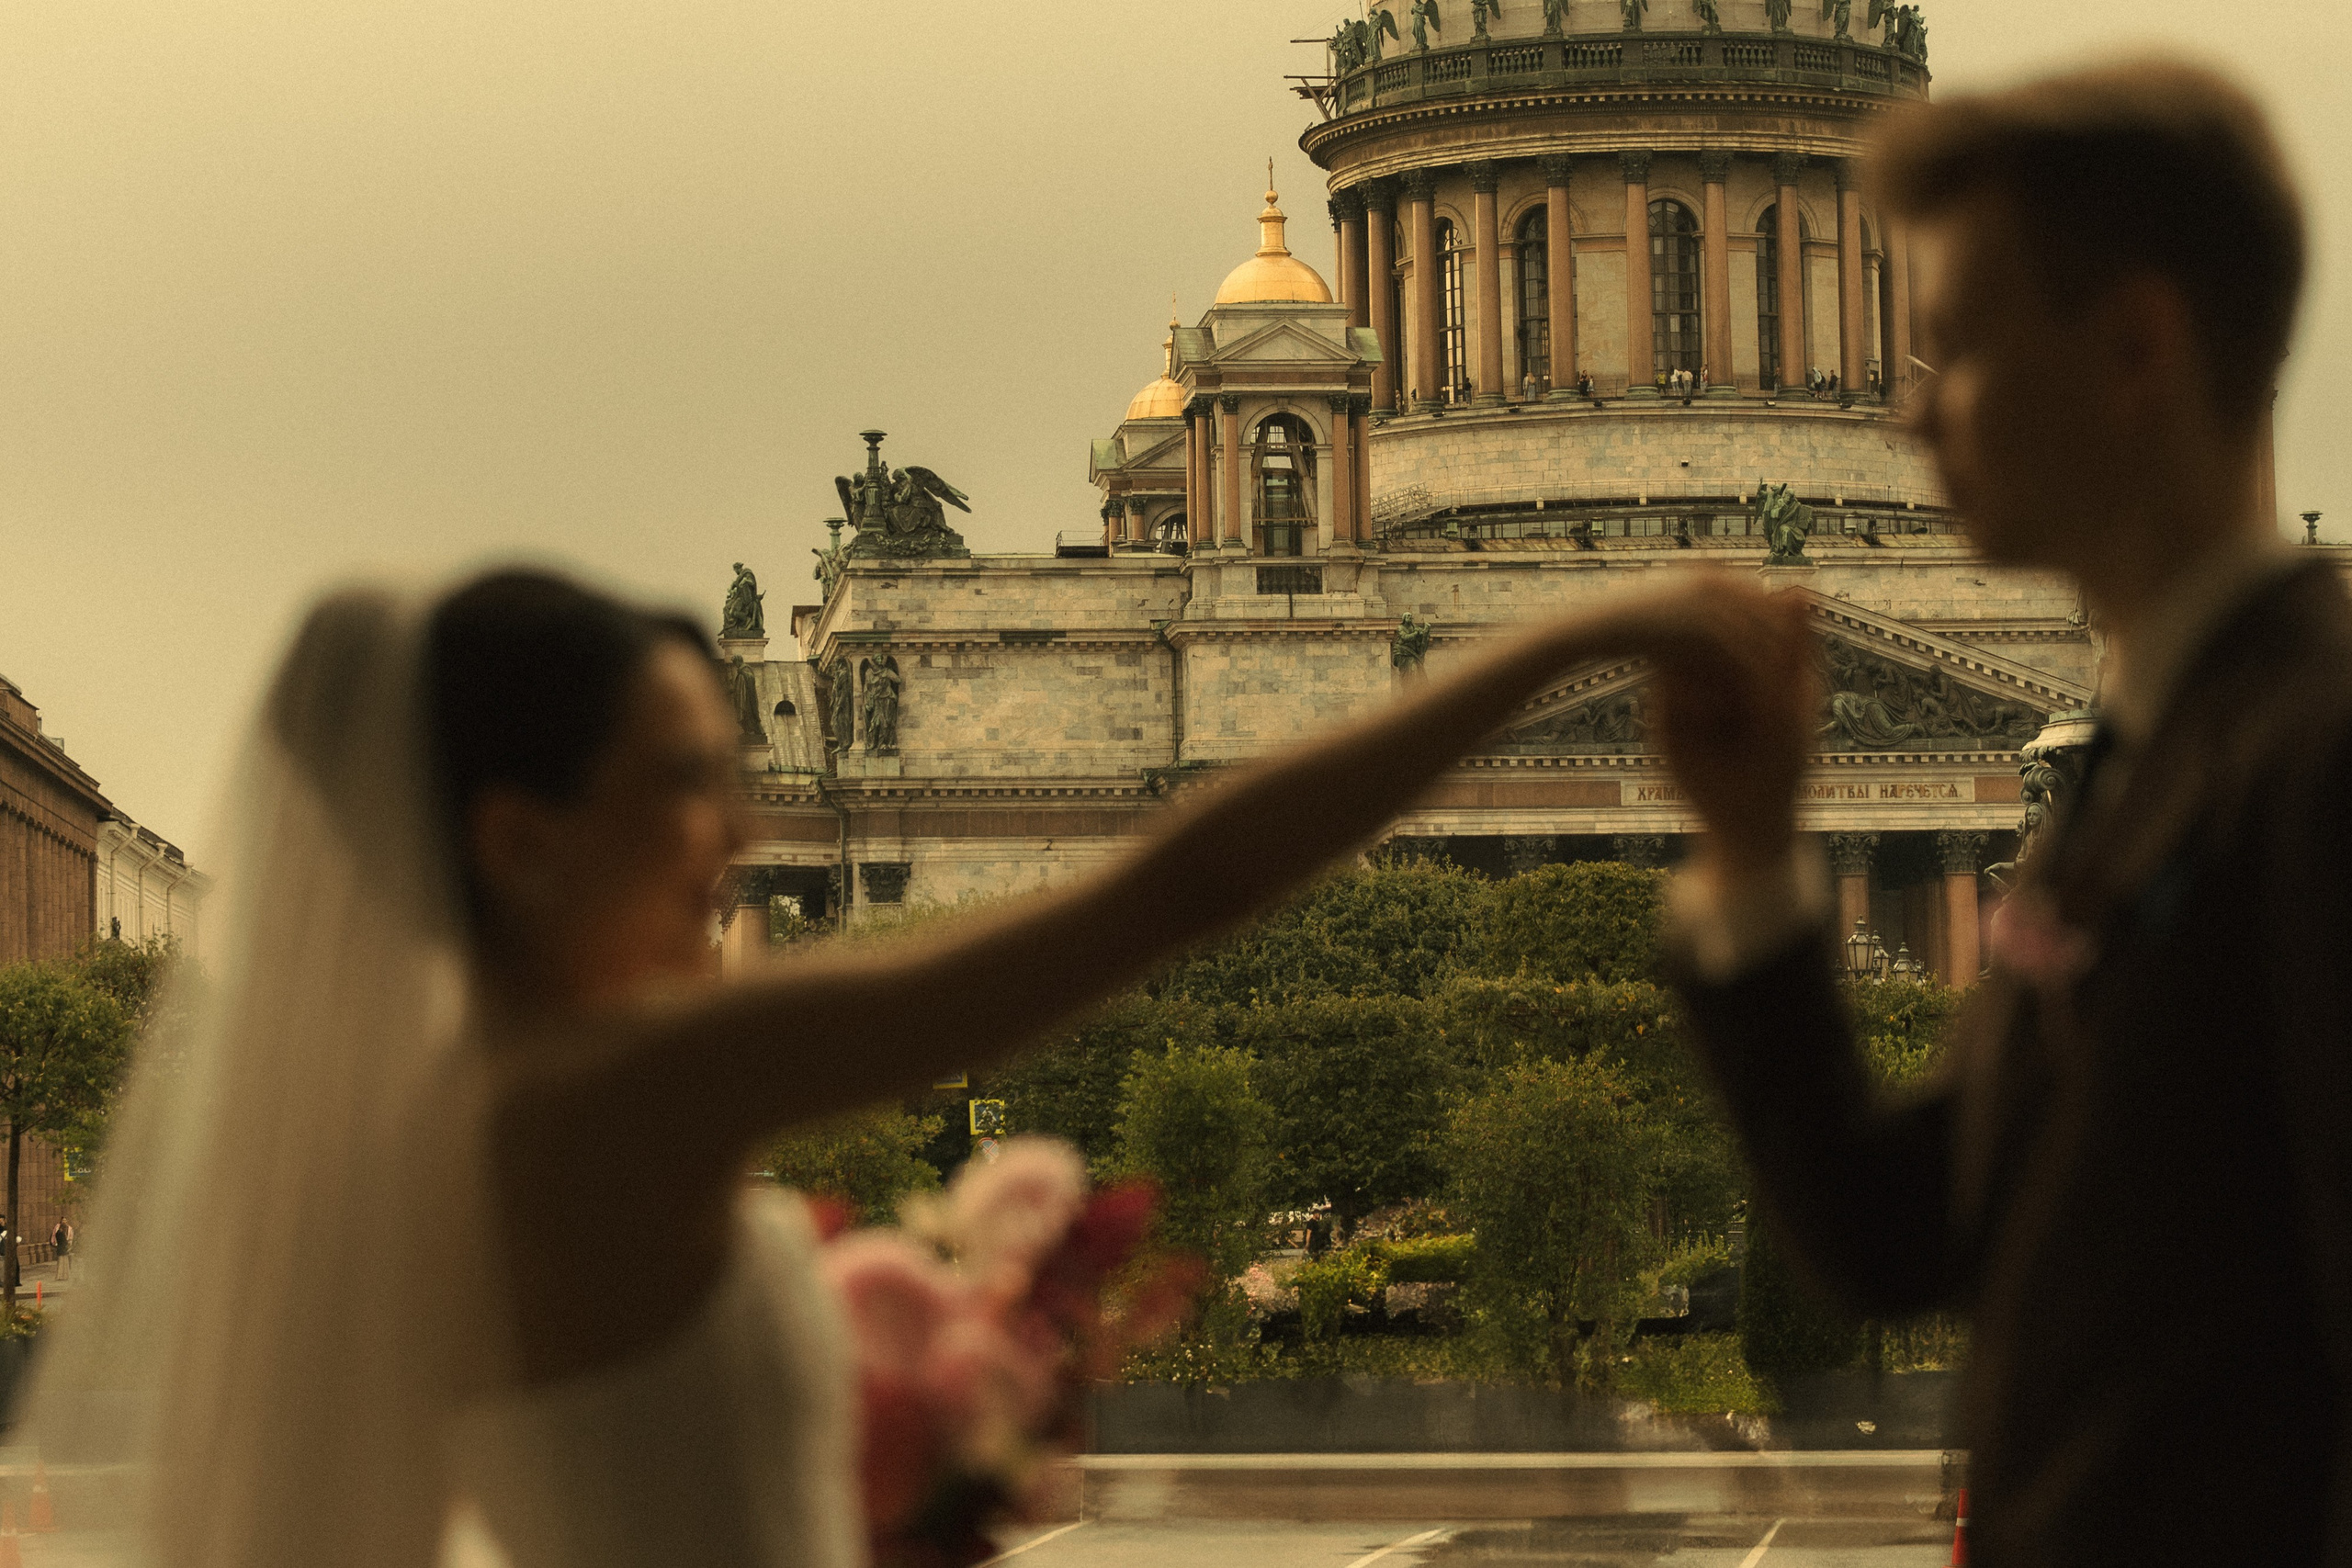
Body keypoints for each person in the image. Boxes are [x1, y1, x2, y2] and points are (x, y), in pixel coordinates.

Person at [22, 568, 1711, 1568]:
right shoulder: (615, 1089)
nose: (739, 836)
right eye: (685, 783)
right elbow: (1182, 884)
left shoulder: (446, 1122)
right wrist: (1584, 641)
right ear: (520, 837)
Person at [1645, 62, 2340, 1564]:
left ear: (2136, 347)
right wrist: (1756, 862)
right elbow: (1903, 1233)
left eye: (1955, 349)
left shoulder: (2316, 751)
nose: (1905, 414)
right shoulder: (2132, 760)